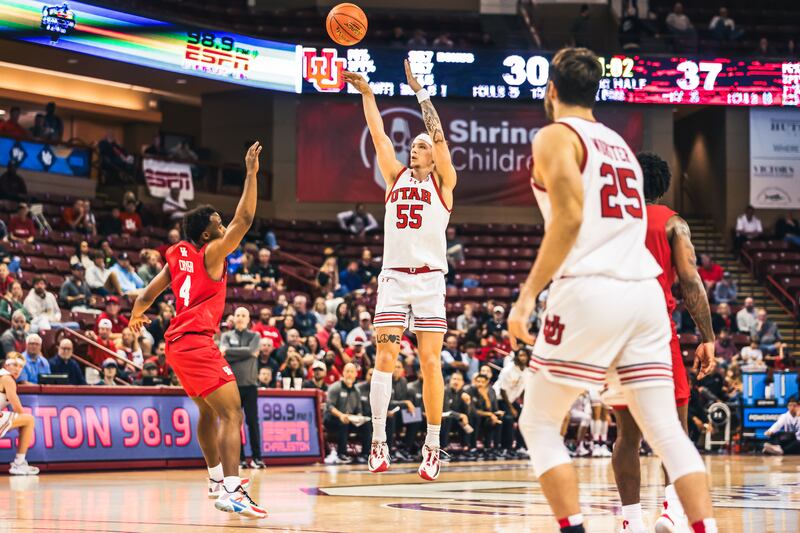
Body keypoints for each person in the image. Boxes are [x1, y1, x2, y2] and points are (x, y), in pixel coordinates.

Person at [506, 48, 715, 533]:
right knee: (667, 430)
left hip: (591, 288)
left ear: (551, 90)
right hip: (645, 296)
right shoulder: (618, 143)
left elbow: (571, 217)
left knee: (537, 423)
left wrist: (527, 295)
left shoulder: (556, 135)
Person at [128, 142, 266, 518]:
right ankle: (234, 491)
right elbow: (245, 220)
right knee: (233, 413)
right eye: (218, 225)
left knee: (208, 411)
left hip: (176, 344)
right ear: (207, 237)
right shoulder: (211, 254)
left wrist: (135, 318)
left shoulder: (178, 258)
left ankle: (215, 479)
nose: (224, 228)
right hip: (195, 342)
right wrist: (251, 174)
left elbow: (145, 296)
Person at [344, 61, 457, 480]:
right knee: (385, 356)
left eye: (423, 145)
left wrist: (419, 92)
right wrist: (368, 95)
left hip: (429, 280)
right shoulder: (394, 176)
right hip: (393, 278)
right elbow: (378, 135)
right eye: (415, 144)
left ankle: (432, 444)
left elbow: (439, 135)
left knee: (430, 362)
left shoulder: (443, 182)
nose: (417, 147)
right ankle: (378, 440)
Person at [602, 152, 716, 533]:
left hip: (617, 328)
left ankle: (630, 521)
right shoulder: (673, 223)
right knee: (675, 428)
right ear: (664, 185)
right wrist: (708, 337)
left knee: (626, 435)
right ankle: (671, 511)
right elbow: (690, 282)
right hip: (655, 328)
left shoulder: (610, 220)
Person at [219, 307, 264, 470]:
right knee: (234, 423)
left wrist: (230, 352)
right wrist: (247, 354)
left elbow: (252, 351)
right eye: (238, 315)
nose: (240, 318)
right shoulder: (226, 336)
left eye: (243, 315)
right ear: (234, 317)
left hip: (250, 385)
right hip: (232, 386)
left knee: (253, 422)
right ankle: (240, 459)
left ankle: (257, 458)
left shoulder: (255, 336)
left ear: (248, 319)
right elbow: (222, 354)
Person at [0, 353, 40, 475]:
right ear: (7, 365)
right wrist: (23, 427)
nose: (18, 369)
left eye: (21, 366)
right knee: (29, 420)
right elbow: (17, 407)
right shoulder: (7, 378)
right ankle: (19, 463)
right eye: (15, 365)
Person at [323, 363, 367, 464]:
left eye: (352, 372)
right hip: (331, 419)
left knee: (366, 425)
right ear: (343, 373)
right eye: (347, 371)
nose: (349, 374)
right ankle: (341, 454)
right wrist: (341, 415)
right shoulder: (335, 387)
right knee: (343, 423)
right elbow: (329, 407)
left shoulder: (356, 390)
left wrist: (359, 417)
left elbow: (359, 409)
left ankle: (365, 454)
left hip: (349, 419)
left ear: (356, 374)